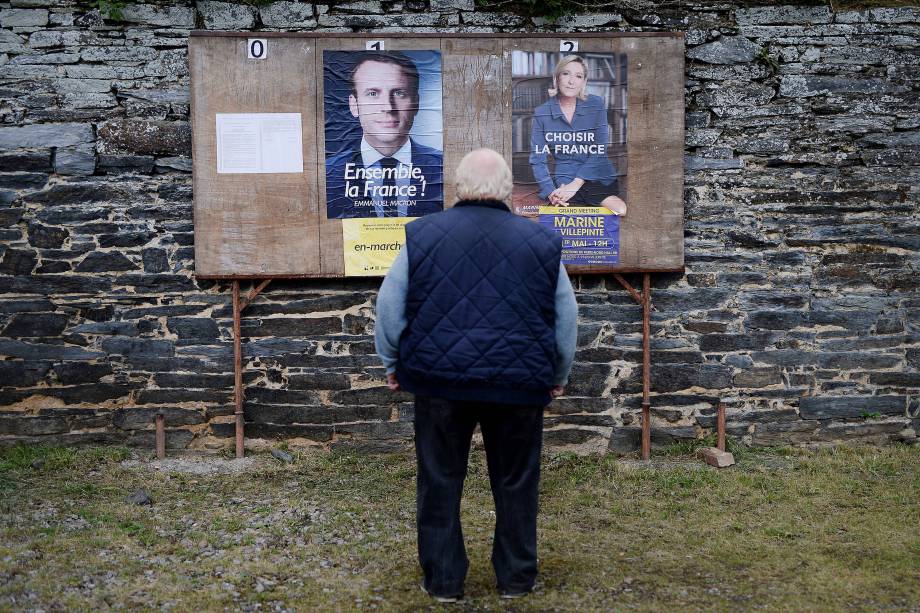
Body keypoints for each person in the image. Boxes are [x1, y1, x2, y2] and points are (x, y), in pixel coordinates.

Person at [374, 148, 578, 602]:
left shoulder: (422, 235)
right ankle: (516, 578)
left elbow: (389, 307)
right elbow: (566, 316)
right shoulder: (541, 242)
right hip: (519, 384)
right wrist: (558, 372)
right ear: (506, 188)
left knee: (440, 479)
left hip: (439, 381)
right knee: (516, 482)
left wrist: (394, 364)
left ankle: (444, 581)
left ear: (459, 187)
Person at [325, 51, 443, 219]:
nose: (388, 107)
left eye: (399, 93)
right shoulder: (329, 174)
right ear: (354, 105)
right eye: (373, 94)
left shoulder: (444, 167)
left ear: (416, 103)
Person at [529, 55, 627, 215]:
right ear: (557, 78)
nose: (571, 81)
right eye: (566, 74)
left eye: (578, 76)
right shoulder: (542, 113)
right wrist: (550, 191)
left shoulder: (596, 104)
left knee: (620, 210)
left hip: (596, 173)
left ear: (584, 82)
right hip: (565, 176)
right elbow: (537, 159)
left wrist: (575, 185)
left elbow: (599, 150)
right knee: (562, 219)